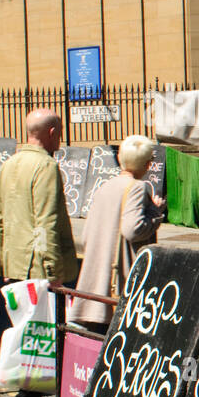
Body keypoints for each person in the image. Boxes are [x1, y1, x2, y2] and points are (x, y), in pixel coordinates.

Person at [0, 108, 79, 397]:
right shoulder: (46, 166)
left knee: (28, 331)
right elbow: (46, 222)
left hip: (16, 261)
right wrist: (52, 271)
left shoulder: (10, 164)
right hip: (39, 265)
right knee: (42, 333)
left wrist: (6, 260)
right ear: (52, 132)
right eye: (60, 132)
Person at [71, 134, 166, 332]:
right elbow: (133, 230)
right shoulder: (137, 187)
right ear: (146, 163)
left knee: (96, 336)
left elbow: (86, 235)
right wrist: (155, 213)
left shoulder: (105, 186)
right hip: (119, 279)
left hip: (96, 277)